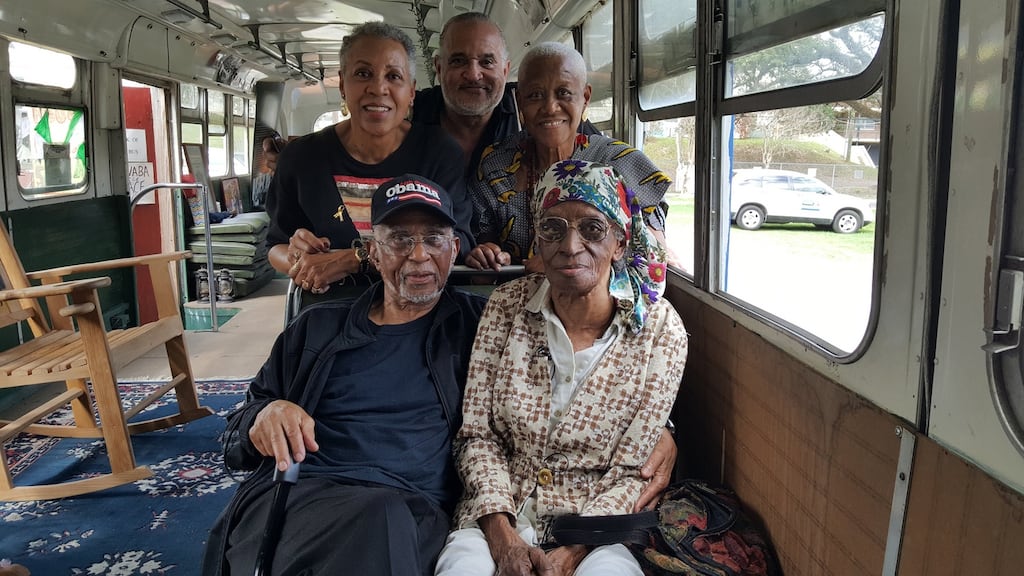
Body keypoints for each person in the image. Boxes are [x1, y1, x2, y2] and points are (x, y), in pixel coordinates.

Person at [202, 174, 486, 576]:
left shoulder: (481, 328)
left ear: (454, 248)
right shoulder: (316, 328)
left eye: (435, 239)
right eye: (400, 240)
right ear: (373, 252)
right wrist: (261, 418)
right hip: (300, 493)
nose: (419, 255)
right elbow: (237, 435)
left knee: (381, 520)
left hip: (410, 505)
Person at [434, 161, 688, 576]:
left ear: (620, 243)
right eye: (553, 228)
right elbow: (477, 437)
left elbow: (634, 470)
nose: (570, 246)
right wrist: (503, 539)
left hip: (598, 533)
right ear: (537, 238)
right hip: (498, 516)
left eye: (592, 229)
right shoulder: (506, 307)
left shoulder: (660, 330)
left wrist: (571, 551)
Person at [265, 21, 474, 304]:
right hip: (329, 312)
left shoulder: (437, 153)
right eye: (363, 74)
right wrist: (300, 259)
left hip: (420, 313)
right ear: (342, 84)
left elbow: (458, 243)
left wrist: (356, 259)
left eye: (393, 76)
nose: (378, 88)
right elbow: (275, 245)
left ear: (411, 92)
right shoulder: (302, 158)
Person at [464, 42, 673, 273]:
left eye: (563, 93)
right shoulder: (496, 165)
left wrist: (565, 268)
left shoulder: (620, 163)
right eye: (535, 95)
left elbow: (653, 263)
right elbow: (482, 248)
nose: (550, 108)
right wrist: (487, 255)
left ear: (585, 98)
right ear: (520, 102)